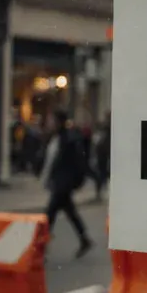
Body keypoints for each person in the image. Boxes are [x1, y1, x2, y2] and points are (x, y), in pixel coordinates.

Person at [39, 110, 93, 258]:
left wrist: (75, 181)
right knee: (70, 213)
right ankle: (84, 239)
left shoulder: (67, 139)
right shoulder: (57, 138)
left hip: (62, 184)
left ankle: (40, 248)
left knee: (48, 216)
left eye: (52, 120)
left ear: (58, 121)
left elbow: (75, 162)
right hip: (60, 183)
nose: (50, 123)